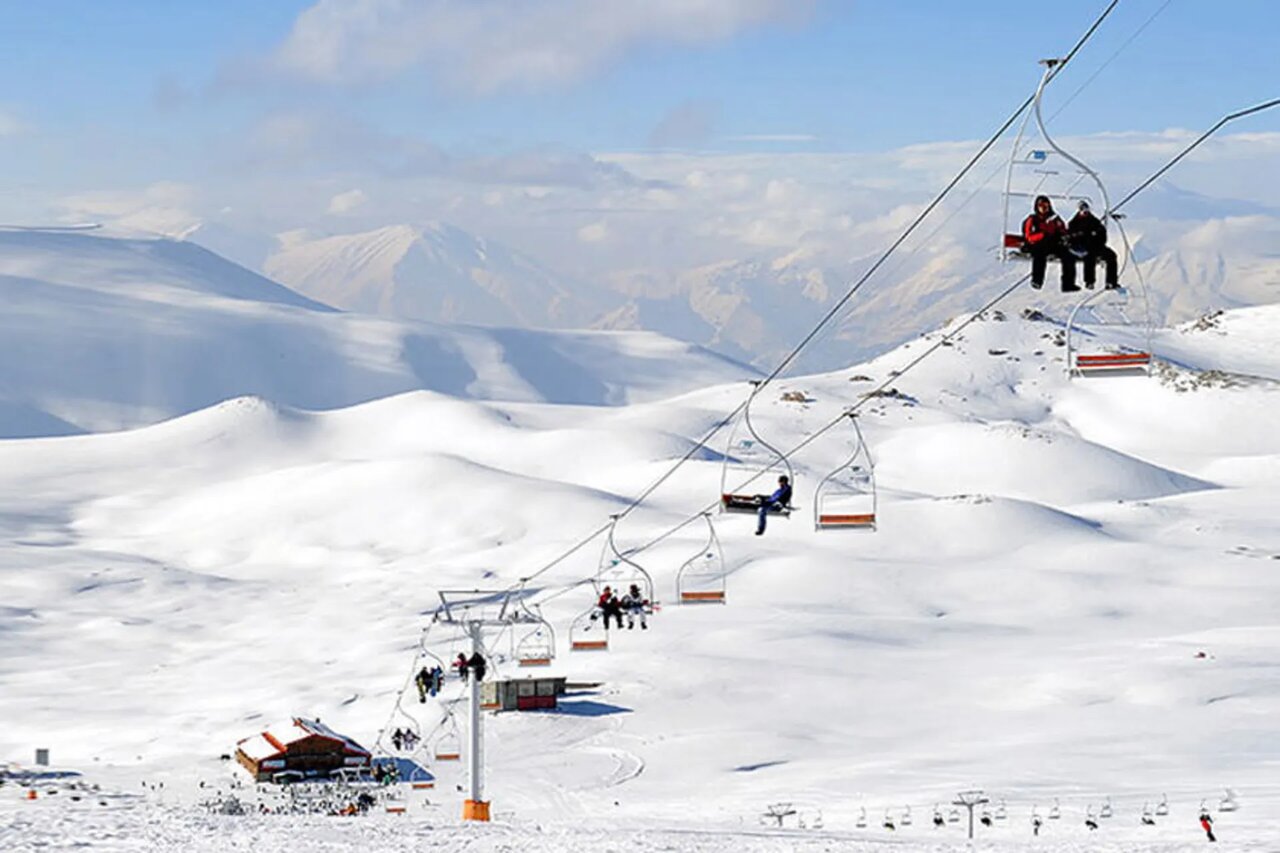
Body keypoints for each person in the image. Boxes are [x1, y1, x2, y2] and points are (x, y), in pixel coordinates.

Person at [1021, 194, 1078, 292]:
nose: (1043, 208)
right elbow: (1029, 236)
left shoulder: (1054, 218)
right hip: (1037, 244)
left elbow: (1063, 229)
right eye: (1041, 206)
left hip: (1053, 243)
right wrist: (1042, 235)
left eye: (1046, 206)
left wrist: (1062, 233)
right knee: (1039, 255)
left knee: (1068, 255)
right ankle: (1037, 281)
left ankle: (1068, 284)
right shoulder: (1033, 220)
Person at [1068, 200, 1119, 289]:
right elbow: (1070, 238)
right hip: (1081, 248)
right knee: (1089, 256)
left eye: (1086, 209)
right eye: (1082, 210)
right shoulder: (1073, 223)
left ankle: (1111, 282)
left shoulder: (1095, 222)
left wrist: (1096, 237)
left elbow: (1103, 236)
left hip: (1097, 246)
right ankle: (1089, 282)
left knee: (1112, 256)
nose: (1084, 212)